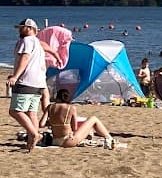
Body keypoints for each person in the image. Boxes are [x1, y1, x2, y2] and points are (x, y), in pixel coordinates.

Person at [6, 18, 49, 153]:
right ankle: (32, 142)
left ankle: (34, 134)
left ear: (30, 28)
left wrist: (15, 76)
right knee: (32, 113)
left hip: (26, 81)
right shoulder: (38, 43)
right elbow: (42, 64)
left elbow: (25, 58)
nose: (19, 30)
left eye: (22, 27)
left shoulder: (27, 41)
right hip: (38, 82)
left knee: (15, 111)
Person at [45, 88, 116, 150]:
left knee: (88, 130)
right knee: (93, 119)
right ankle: (109, 138)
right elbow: (74, 128)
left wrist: (53, 122)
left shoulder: (50, 107)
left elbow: (41, 124)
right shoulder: (71, 108)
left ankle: (105, 138)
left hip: (54, 141)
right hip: (68, 141)